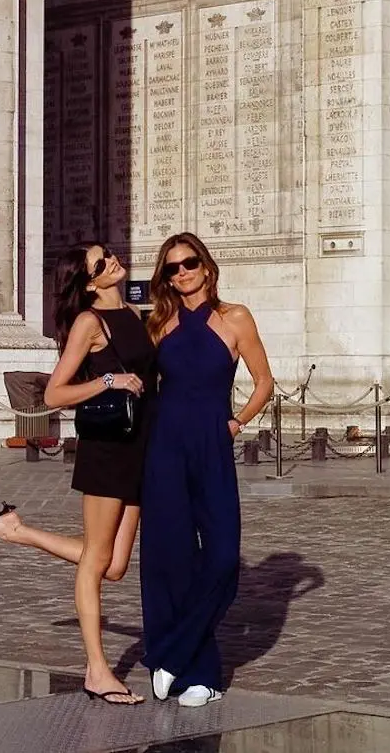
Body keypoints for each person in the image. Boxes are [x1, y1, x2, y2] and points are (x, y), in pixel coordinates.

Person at [0, 242, 154, 705]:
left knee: (116, 566)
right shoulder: (90, 322)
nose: (113, 262)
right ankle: (97, 670)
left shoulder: (134, 313)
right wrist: (109, 380)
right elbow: (57, 394)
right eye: (101, 263)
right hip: (107, 451)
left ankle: (14, 529)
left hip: (139, 449)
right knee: (95, 560)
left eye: (109, 255)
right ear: (88, 282)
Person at [139, 233, 274, 707]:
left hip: (213, 446)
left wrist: (236, 424)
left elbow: (264, 382)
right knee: (169, 558)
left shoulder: (235, 318)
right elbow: (144, 387)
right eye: (172, 269)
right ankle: (204, 676)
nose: (182, 274)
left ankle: (170, 655)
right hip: (165, 449)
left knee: (221, 558)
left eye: (189, 263)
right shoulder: (158, 323)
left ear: (207, 266)